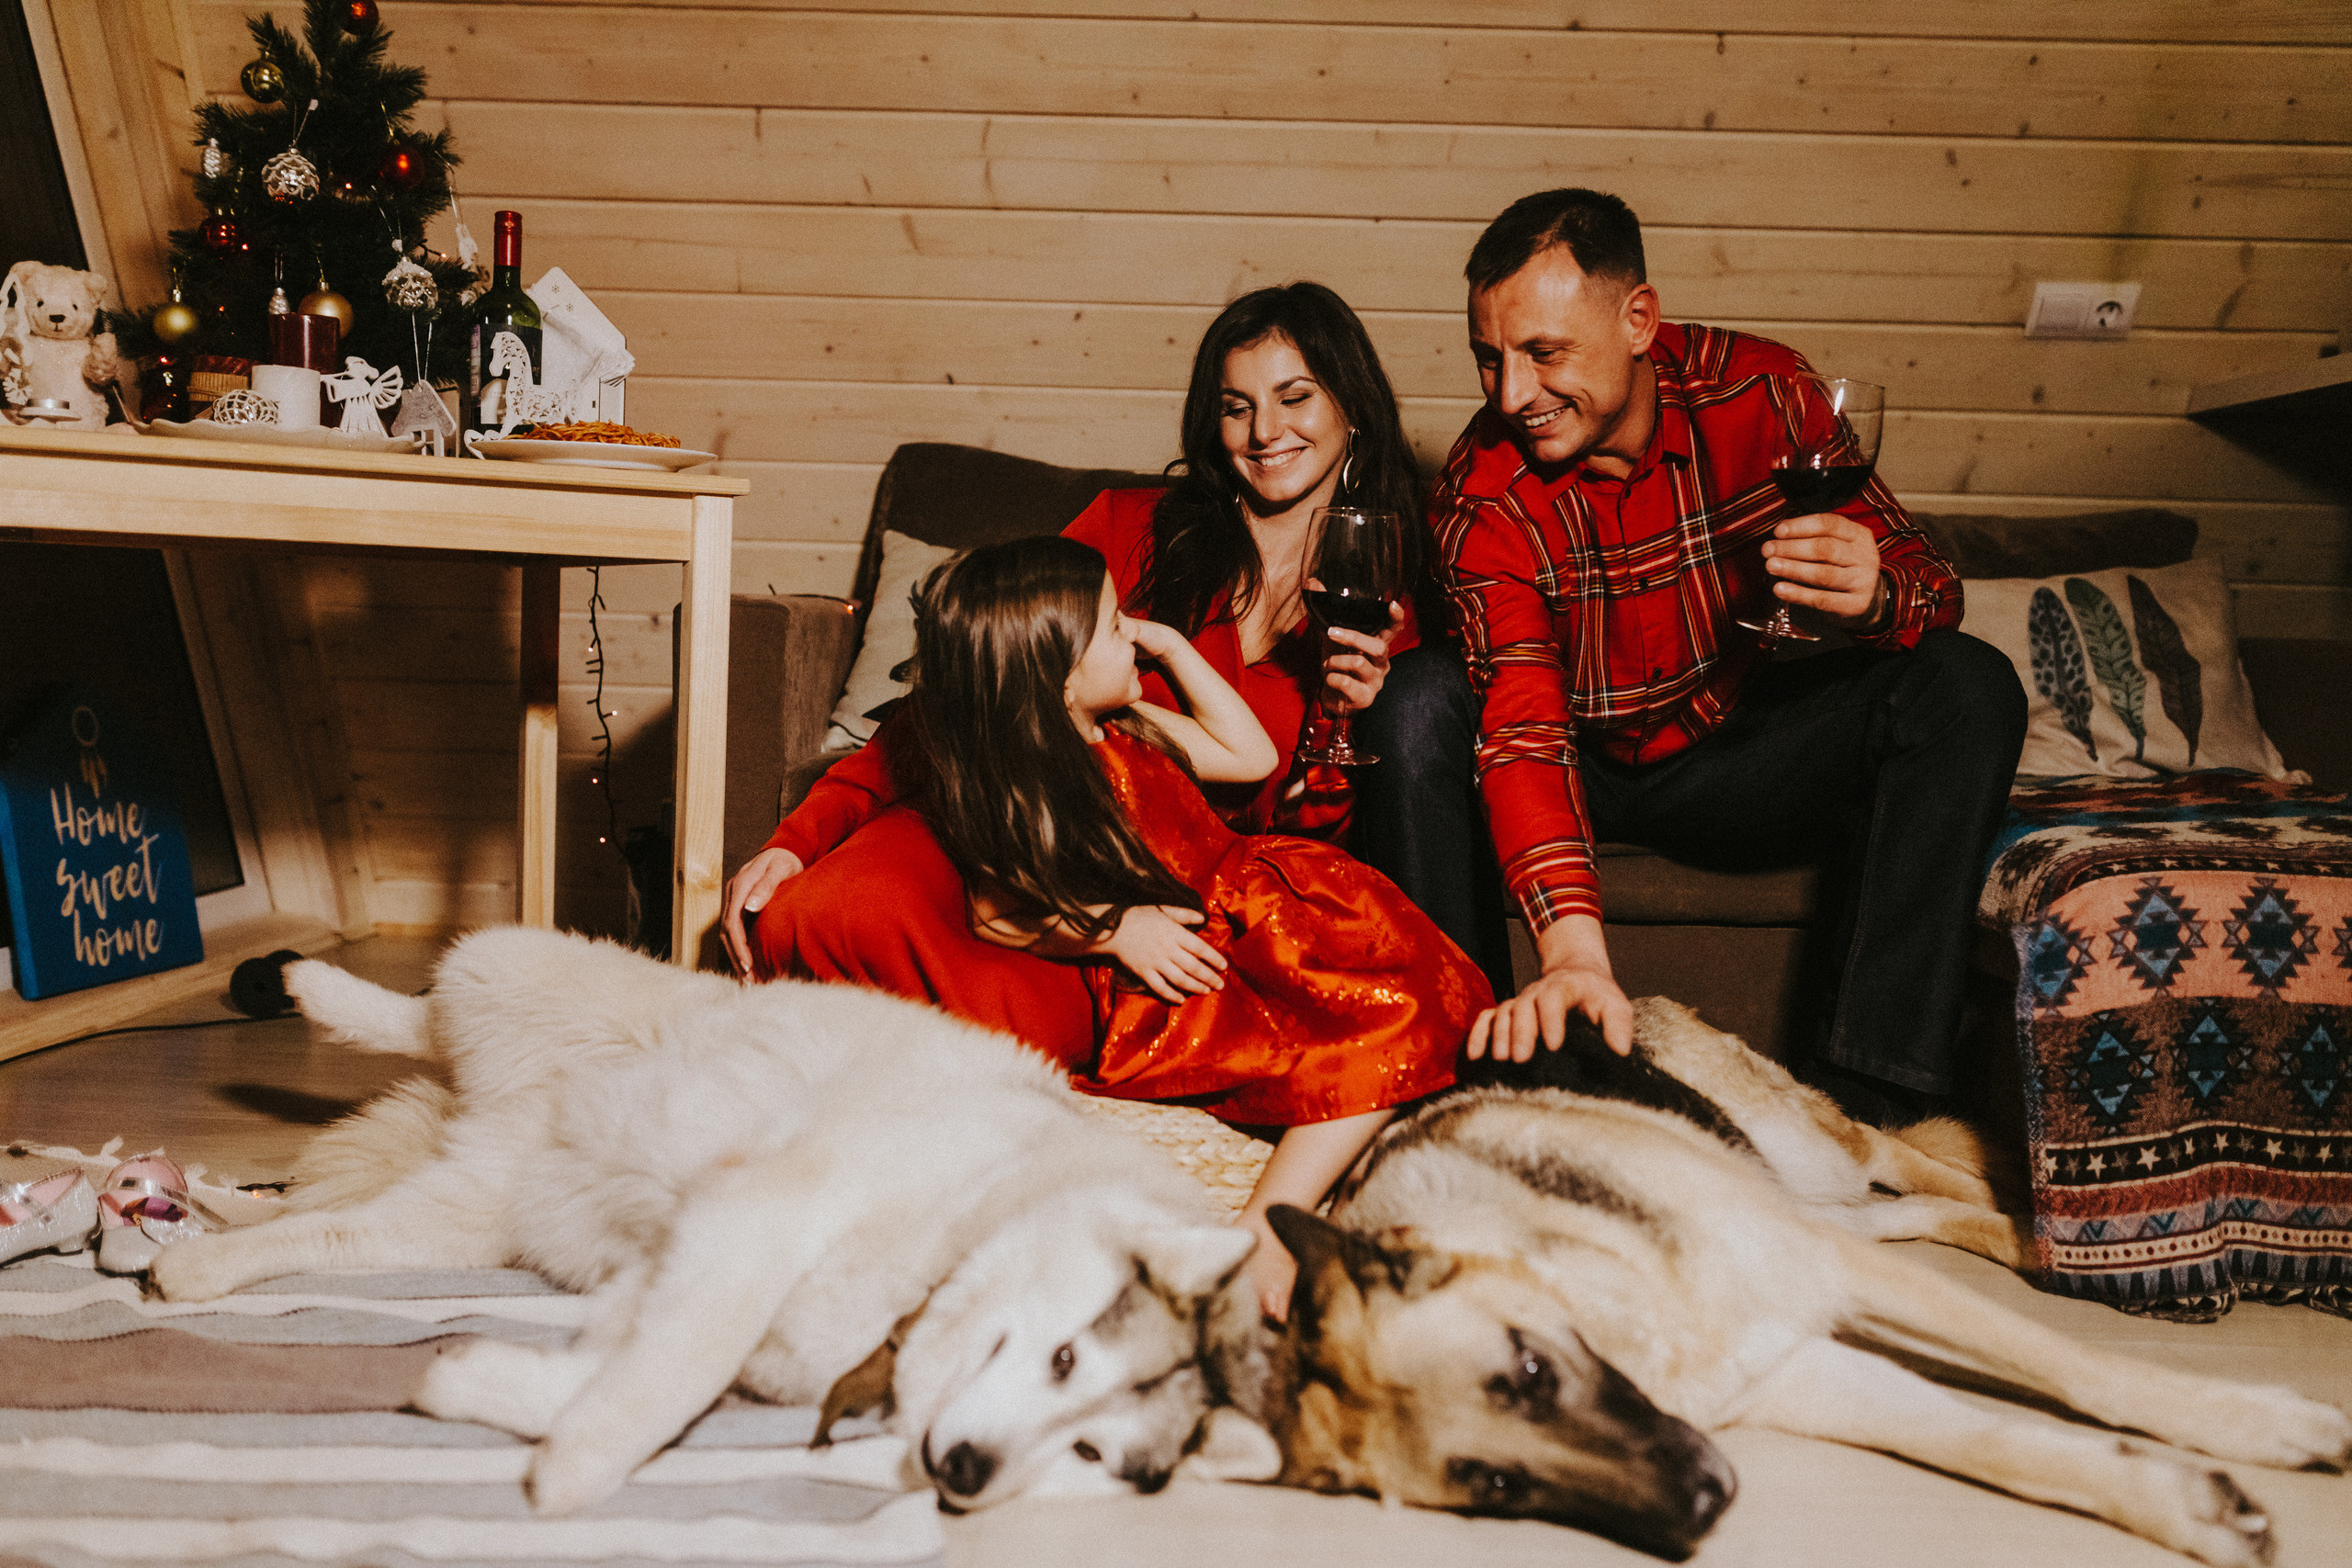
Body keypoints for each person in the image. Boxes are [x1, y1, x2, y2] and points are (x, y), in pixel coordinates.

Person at [1399, 187, 2025, 1123]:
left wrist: (1878, 596)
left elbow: (1930, 587)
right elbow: (1522, 724)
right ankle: (1467, 1078)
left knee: (1967, 684)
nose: (1509, 395)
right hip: (1578, 761)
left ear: (1638, 320)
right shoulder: (1479, 490)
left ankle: (1873, 1107)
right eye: (1488, 360)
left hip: (1737, 750)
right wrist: (1571, 955)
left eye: (1542, 353)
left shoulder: (1766, 393)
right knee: (1418, 698)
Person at [719, 282, 1464, 1044]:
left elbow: (1313, 826)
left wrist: (1344, 721)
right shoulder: (1127, 528)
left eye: (1294, 397)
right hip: (1030, 846)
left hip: (1179, 890)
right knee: (822, 912)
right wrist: (798, 837)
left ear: (1354, 406)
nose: (1264, 430)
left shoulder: (1390, 580)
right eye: (1236, 406)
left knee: (1041, 1012)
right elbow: (969, 699)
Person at [763, 536, 1487, 1314]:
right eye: (1115, 626)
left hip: (1250, 905)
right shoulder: (1045, 776)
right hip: (1192, 965)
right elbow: (997, 913)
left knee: (1433, 981)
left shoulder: (1123, 723)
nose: (1133, 628)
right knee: (1389, 1024)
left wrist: (1168, 649)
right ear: (1061, 675)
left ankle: (1317, 1191)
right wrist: (1115, 931)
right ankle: (1267, 1231)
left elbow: (1249, 758)